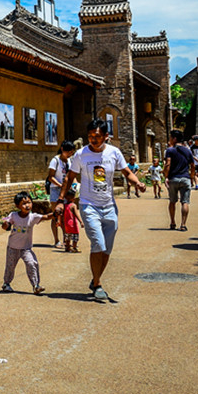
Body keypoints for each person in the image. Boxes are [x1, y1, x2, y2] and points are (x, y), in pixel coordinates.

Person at [61, 117, 145, 302]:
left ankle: (95, 279)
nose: (93, 139)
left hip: (109, 206)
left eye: (97, 136)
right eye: (90, 136)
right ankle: (98, 284)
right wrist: (61, 199)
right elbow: (70, 177)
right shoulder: (81, 155)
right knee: (98, 243)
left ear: (106, 136)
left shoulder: (114, 152)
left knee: (106, 249)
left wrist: (137, 183)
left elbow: (127, 173)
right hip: (88, 205)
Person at [0, 191, 48, 294]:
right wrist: (5, 225)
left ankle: (36, 286)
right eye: (24, 203)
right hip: (12, 247)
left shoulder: (33, 217)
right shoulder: (13, 215)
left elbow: (46, 217)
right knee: (10, 266)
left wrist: (56, 213)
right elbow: (6, 225)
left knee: (32, 263)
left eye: (29, 202)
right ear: (17, 206)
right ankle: (6, 284)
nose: (27, 205)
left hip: (26, 248)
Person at [45, 141, 74, 249]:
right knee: (56, 215)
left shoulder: (70, 161)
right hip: (56, 190)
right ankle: (57, 240)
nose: (70, 154)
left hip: (66, 191)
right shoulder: (55, 160)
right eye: (68, 152)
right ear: (62, 149)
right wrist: (61, 185)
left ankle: (66, 240)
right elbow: (50, 177)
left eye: (71, 152)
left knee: (66, 216)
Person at [163, 129, 194, 231]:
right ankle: (183, 224)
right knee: (185, 202)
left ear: (174, 139)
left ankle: (172, 222)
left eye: (170, 137)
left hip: (173, 179)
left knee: (172, 201)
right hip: (185, 178)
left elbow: (168, 164)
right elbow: (192, 165)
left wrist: (166, 176)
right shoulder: (188, 151)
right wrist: (192, 177)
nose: (170, 140)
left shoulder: (170, 150)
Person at [61, 187, 82, 252]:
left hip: (66, 224)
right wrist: (81, 221)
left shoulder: (64, 205)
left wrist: (59, 221)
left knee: (68, 236)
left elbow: (61, 215)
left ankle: (67, 247)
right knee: (75, 235)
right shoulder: (73, 205)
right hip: (73, 223)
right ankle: (74, 247)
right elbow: (76, 214)